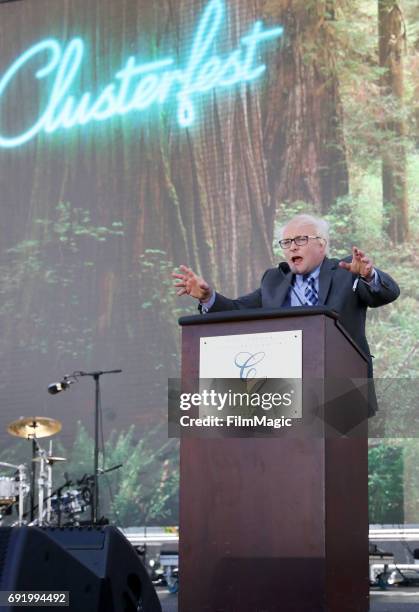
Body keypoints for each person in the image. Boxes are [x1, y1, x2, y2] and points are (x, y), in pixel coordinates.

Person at [172, 214, 400, 414]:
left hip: (342, 391)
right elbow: (237, 310)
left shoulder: (345, 272)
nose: (292, 247)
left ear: (322, 244)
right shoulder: (274, 280)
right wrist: (207, 297)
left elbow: (387, 294)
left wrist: (369, 276)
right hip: (284, 395)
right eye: (287, 242)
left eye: (301, 240)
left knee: (340, 461)